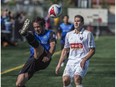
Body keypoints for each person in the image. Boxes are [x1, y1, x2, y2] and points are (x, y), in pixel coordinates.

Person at [55, 15, 95, 87]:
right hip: (71, 61)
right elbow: (65, 50)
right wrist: (59, 64)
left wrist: (84, 59)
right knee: (65, 80)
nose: (76, 23)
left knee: (77, 78)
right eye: (75, 21)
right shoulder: (69, 34)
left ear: (82, 23)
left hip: (82, 61)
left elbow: (92, 50)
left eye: (78, 21)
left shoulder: (88, 34)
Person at [16, 17, 56, 87]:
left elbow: (53, 45)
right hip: (33, 59)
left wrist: (48, 56)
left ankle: (25, 34)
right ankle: (25, 33)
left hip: (44, 58)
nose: (36, 29)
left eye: (38, 27)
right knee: (19, 83)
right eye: (35, 27)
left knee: (37, 46)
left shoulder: (50, 33)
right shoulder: (33, 33)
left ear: (44, 26)